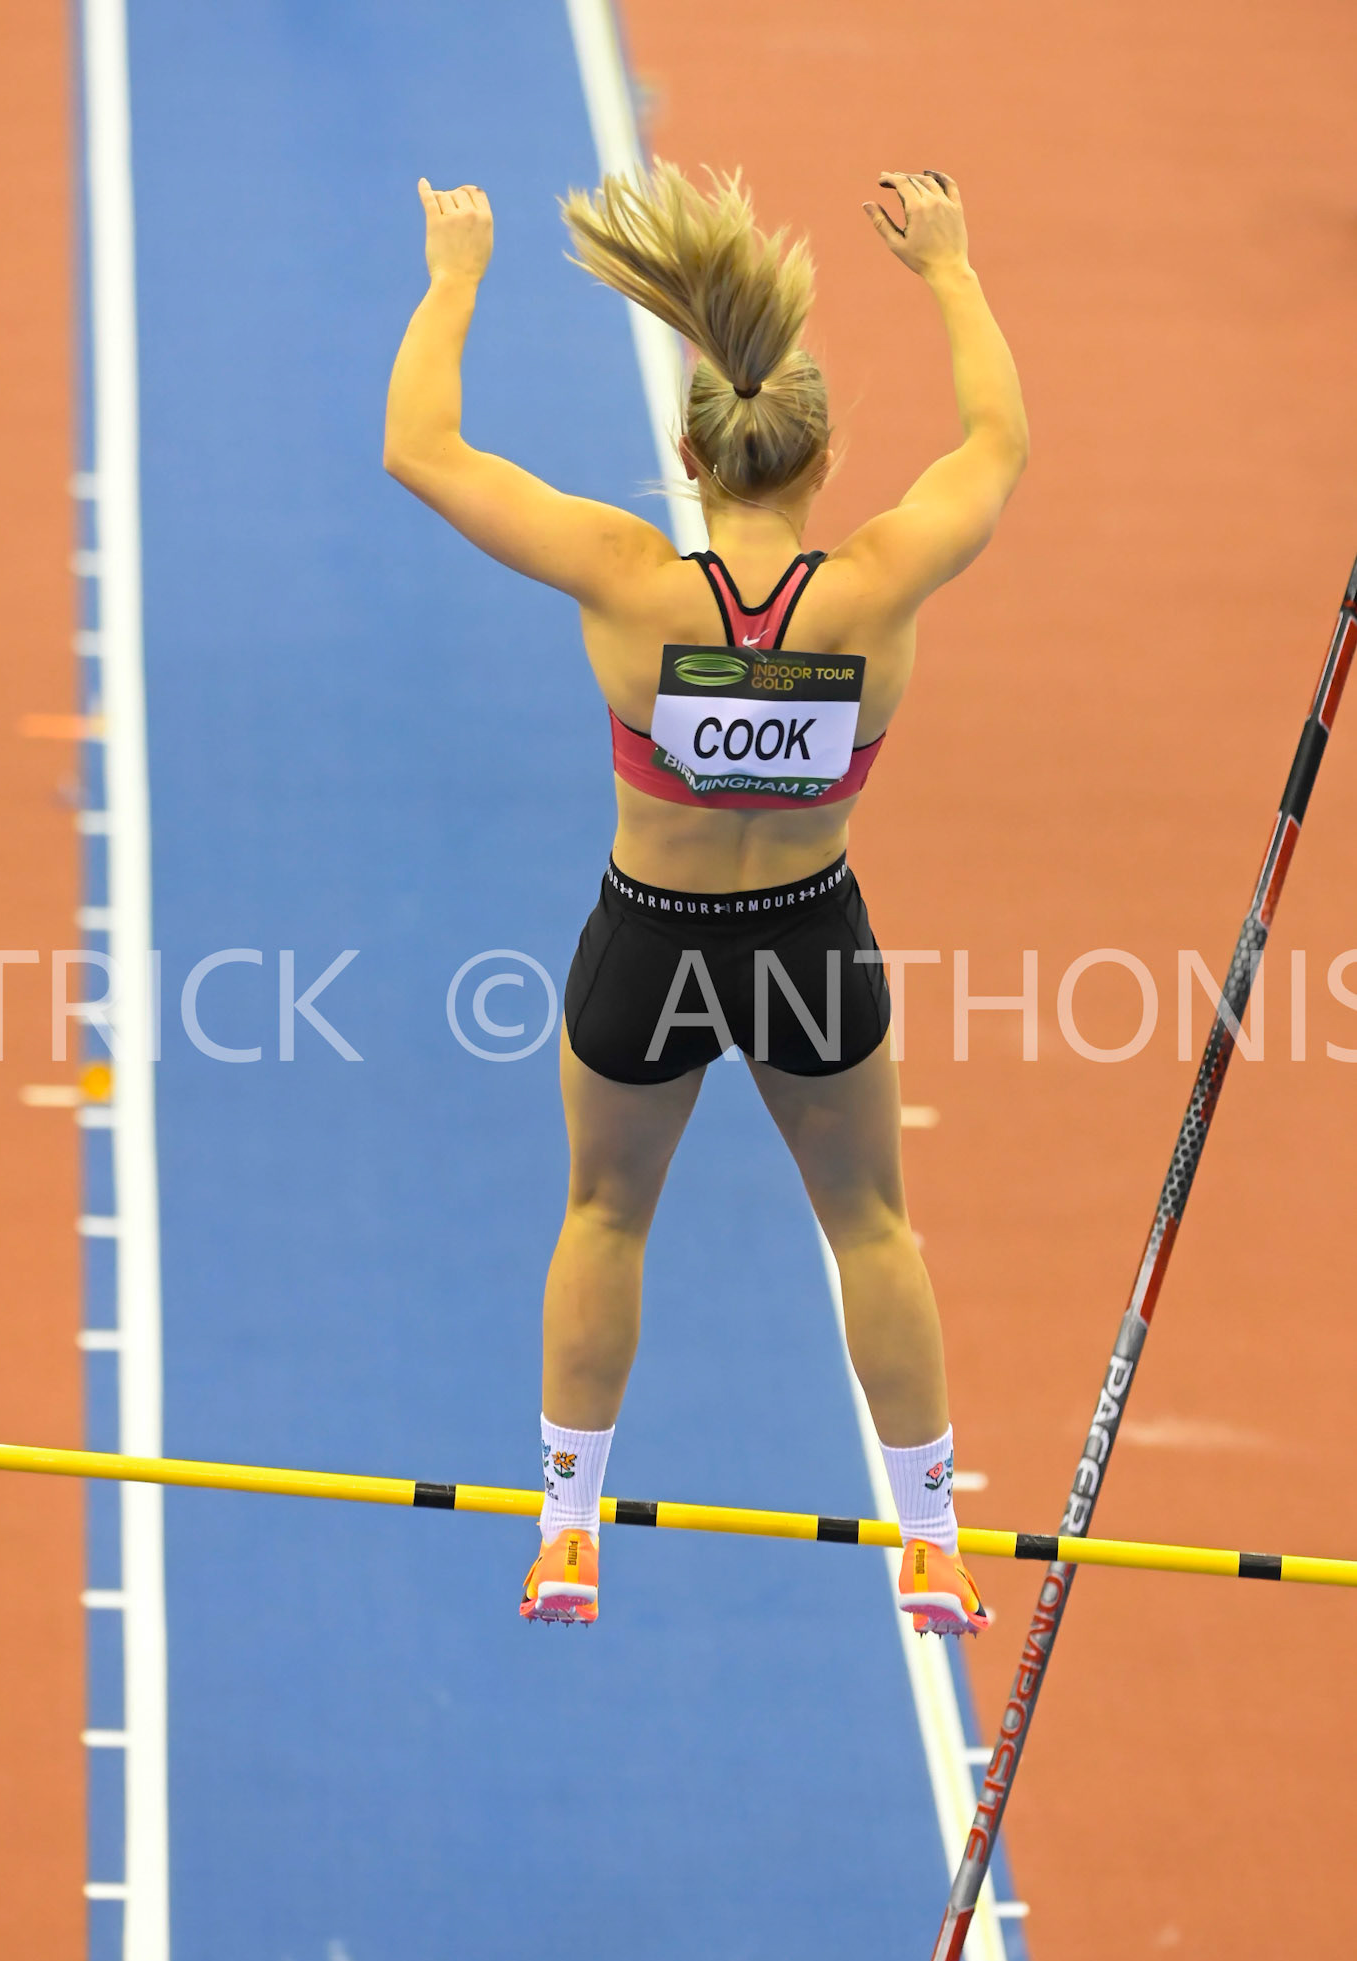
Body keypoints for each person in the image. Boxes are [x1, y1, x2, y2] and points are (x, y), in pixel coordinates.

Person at [384, 159, 1027, 1635]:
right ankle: (930, 1536)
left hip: (649, 946)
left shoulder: (631, 581)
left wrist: (457, 278)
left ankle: (565, 1530)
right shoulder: (878, 585)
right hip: (805, 942)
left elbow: (421, 450)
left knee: (606, 1212)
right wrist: (947, 267)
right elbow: (999, 442)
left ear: (691, 456)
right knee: (872, 1226)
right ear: (819, 461)